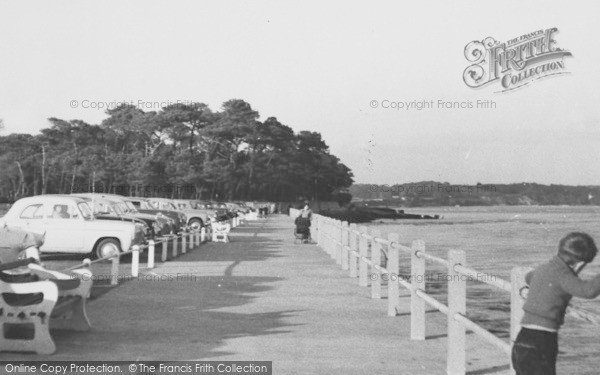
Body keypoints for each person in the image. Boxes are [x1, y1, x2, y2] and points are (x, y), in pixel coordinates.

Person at [512, 232, 600, 375]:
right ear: (579, 264)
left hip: (522, 340)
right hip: (541, 342)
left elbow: (528, 277)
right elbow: (587, 291)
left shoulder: (543, 268)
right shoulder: (563, 275)